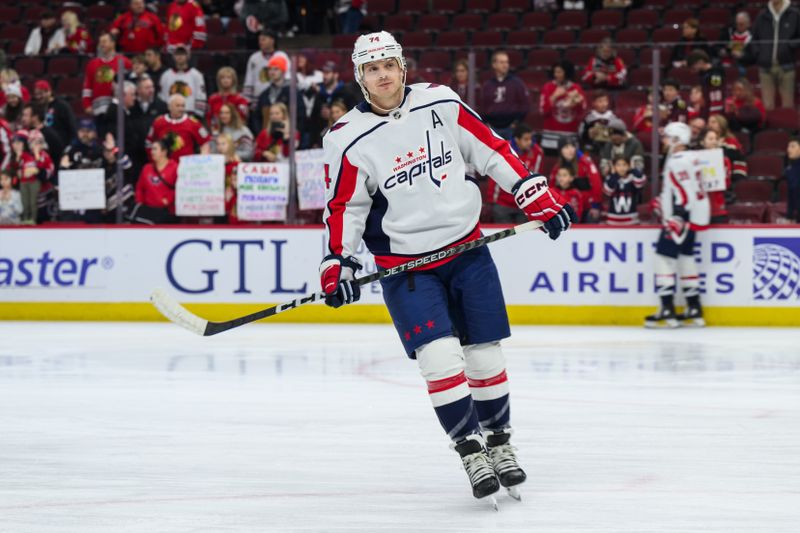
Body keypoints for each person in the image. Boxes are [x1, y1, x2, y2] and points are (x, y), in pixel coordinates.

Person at [319, 31, 576, 503]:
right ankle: (470, 450)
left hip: (467, 251)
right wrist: (338, 260)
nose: (382, 74)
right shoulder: (346, 138)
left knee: (484, 357)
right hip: (407, 268)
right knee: (440, 361)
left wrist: (532, 193)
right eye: (371, 68)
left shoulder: (441, 102)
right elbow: (345, 208)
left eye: (388, 65)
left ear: (403, 67)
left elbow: (491, 150)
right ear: (360, 77)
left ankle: (500, 445)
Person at [646, 122, 709, 329]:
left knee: (663, 258)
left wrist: (677, 216)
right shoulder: (694, 158)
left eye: (668, 137)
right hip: (696, 217)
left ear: (677, 140)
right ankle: (694, 308)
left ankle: (667, 308)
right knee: (686, 258)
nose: (664, 141)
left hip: (681, 217)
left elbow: (683, 193)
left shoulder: (677, 161)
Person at [487, 123, 544, 224]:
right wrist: (492, 200)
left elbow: (534, 179)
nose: (530, 142)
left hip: (524, 203)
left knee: (524, 236)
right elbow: (494, 176)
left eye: (531, 139)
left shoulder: (537, 152)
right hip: (502, 202)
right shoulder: (504, 150)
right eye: (526, 139)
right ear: (517, 139)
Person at [749, 0, 800, 110]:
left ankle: (788, 127)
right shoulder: (762, 15)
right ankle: (768, 127)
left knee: (788, 105)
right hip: (765, 66)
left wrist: (790, 46)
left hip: (786, 65)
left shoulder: (794, 14)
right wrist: (759, 54)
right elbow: (754, 39)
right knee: (767, 106)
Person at [548, 137, 602, 222]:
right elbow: (551, 188)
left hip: (587, 208)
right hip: (564, 208)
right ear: (560, 151)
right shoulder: (557, 167)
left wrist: (595, 205)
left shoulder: (585, 162)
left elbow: (597, 184)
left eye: (572, 146)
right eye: (566, 147)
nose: (570, 150)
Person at [479, 50, 529, 140]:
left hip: (510, 128)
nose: (505, 65)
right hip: (492, 128)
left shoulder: (516, 83)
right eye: (502, 62)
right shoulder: (488, 85)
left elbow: (524, 104)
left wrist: (516, 122)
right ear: (494, 65)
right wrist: (485, 122)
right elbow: (483, 105)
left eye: (507, 62)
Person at [146, 94, 211, 161]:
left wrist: (202, 160)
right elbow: (148, 143)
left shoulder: (194, 123)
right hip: (164, 167)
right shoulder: (158, 122)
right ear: (169, 107)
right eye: (177, 106)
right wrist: (153, 160)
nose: (181, 109)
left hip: (186, 166)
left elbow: (206, 142)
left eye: (183, 106)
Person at [82, 32, 133, 118]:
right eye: (100, 42)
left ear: (113, 43)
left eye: (104, 41)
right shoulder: (92, 64)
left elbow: (130, 86)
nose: (101, 44)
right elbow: (87, 87)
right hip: (98, 108)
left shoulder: (125, 62)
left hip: (119, 108)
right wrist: (87, 104)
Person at [539, 61, 586, 152]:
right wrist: (554, 97)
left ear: (567, 73)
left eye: (559, 72)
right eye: (555, 72)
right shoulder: (548, 87)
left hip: (570, 136)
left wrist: (577, 103)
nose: (556, 74)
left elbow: (581, 113)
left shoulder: (576, 88)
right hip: (550, 137)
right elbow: (543, 111)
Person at [131, 139, 179, 224]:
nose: (152, 152)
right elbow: (140, 188)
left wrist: (168, 200)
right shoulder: (146, 168)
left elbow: (179, 187)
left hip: (167, 212)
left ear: (164, 152)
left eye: (155, 149)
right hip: (148, 211)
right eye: (151, 149)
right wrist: (140, 203)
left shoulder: (175, 168)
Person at [243, 30, 291, 105]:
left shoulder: (282, 56)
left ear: (272, 41)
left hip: (279, 100)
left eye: (263, 39)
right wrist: (247, 101)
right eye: (259, 40)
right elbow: (249, 81)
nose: (260, 42)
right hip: (257, 100)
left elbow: (288, 78)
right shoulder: (254, 58)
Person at [159, 46, 207, 118]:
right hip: (171, 115)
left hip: (190, 114)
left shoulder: (196, 75)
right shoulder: (166, 75)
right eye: (177, 54)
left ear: (188, 56)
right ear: (173, 56)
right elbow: (162, 97)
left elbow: (201, 96)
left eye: (182, 54)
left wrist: (198, 116)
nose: (180, 57)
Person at [698, 128, 732, 224]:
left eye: (715, 139)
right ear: (702, 141)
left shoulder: (724, 160)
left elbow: (727, 183)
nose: (714, 141)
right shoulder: (695, 160)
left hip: (718, 207)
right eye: (710, 139)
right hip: (699, 208)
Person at [33, 80, 76, 153]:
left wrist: (70, 145)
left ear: (49, 91)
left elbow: (72, 126)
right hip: (44, 148)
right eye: (36, 94)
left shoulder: (62, 106)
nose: (38, 97)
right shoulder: (38, 108)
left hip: (61, 147)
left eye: (41, 93)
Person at [7, 131, 39, 224]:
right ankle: (24, 218)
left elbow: (33, 168)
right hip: (18, 185)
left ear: (24, 144)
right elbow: (10, 170)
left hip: (30, 182)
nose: (16, 145)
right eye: (14, 143)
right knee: (23, 202)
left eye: (19, 143)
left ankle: (32, 218)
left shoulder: (28, 156)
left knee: (32, 202)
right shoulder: (12, 157)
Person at [604, 156, 646, 226]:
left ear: (628, 166)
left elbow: (640, 183)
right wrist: (614, 175)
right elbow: (608, 191)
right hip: (613, 221)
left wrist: (632, 170)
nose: (621, 168)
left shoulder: (633, 178)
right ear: (614, 167)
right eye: (618, 165)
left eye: (624, 165)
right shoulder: (610, 178)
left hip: (632, 221)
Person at [207, 67, 249, 133]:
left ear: (233, 80)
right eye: (222, 78)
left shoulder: (240, 99)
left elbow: (243, 118)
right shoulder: (212, 99)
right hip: (217, 132)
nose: (225, 80)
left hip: (235, 132)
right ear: (218, 80)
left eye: (228, 78)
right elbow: (209, 118)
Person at [577, 90, 619, 156]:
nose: (603, 104)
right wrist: (588, 133)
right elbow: (581, 133)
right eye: (600, 101)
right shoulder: (588, 118)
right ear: (594, 103)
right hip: (592, 147)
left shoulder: (613, 117)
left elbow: (621, 132)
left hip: (609, 146)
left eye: (605, 101)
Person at [707, 114, 748, 181]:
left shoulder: (730, 140)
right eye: (709, 122)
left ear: (721, 124)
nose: (710, 125)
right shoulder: (705, 140)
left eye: (713, 122)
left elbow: (734, 157)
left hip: (731, 174)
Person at [687, 51, 726, 120]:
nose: (692, 71)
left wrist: (714, 116)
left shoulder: (715, 74)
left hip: (714, 112)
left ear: (700, 62)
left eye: (693, 67)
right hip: (706, 108)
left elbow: (717, 96)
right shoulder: (703, 75)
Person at [215, 133, 242, 223]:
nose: (220, 147)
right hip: (218, 199)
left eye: (223, 144)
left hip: (232, 198)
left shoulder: (236, 163)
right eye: (218, 144)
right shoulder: (214, 162)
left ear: (230, 145)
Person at [785, 138, 800, 223]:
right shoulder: (789, 169)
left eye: (793, 146)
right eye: (788, 146)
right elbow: (791, 192)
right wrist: (789, 216)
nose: (788, 149)